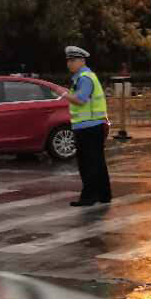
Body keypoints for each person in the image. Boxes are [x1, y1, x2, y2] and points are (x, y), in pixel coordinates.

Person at [62, 46, 111, 206]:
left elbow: (80, 99)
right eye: (68, 60)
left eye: (73, 60)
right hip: (91, 125)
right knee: (97, 162)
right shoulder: (82, 77)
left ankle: (89, 196)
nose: (69, 63)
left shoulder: (84, 78)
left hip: (88, 126)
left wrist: (63, 94)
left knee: (88, 163)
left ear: (82, 61)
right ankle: (104, 195)